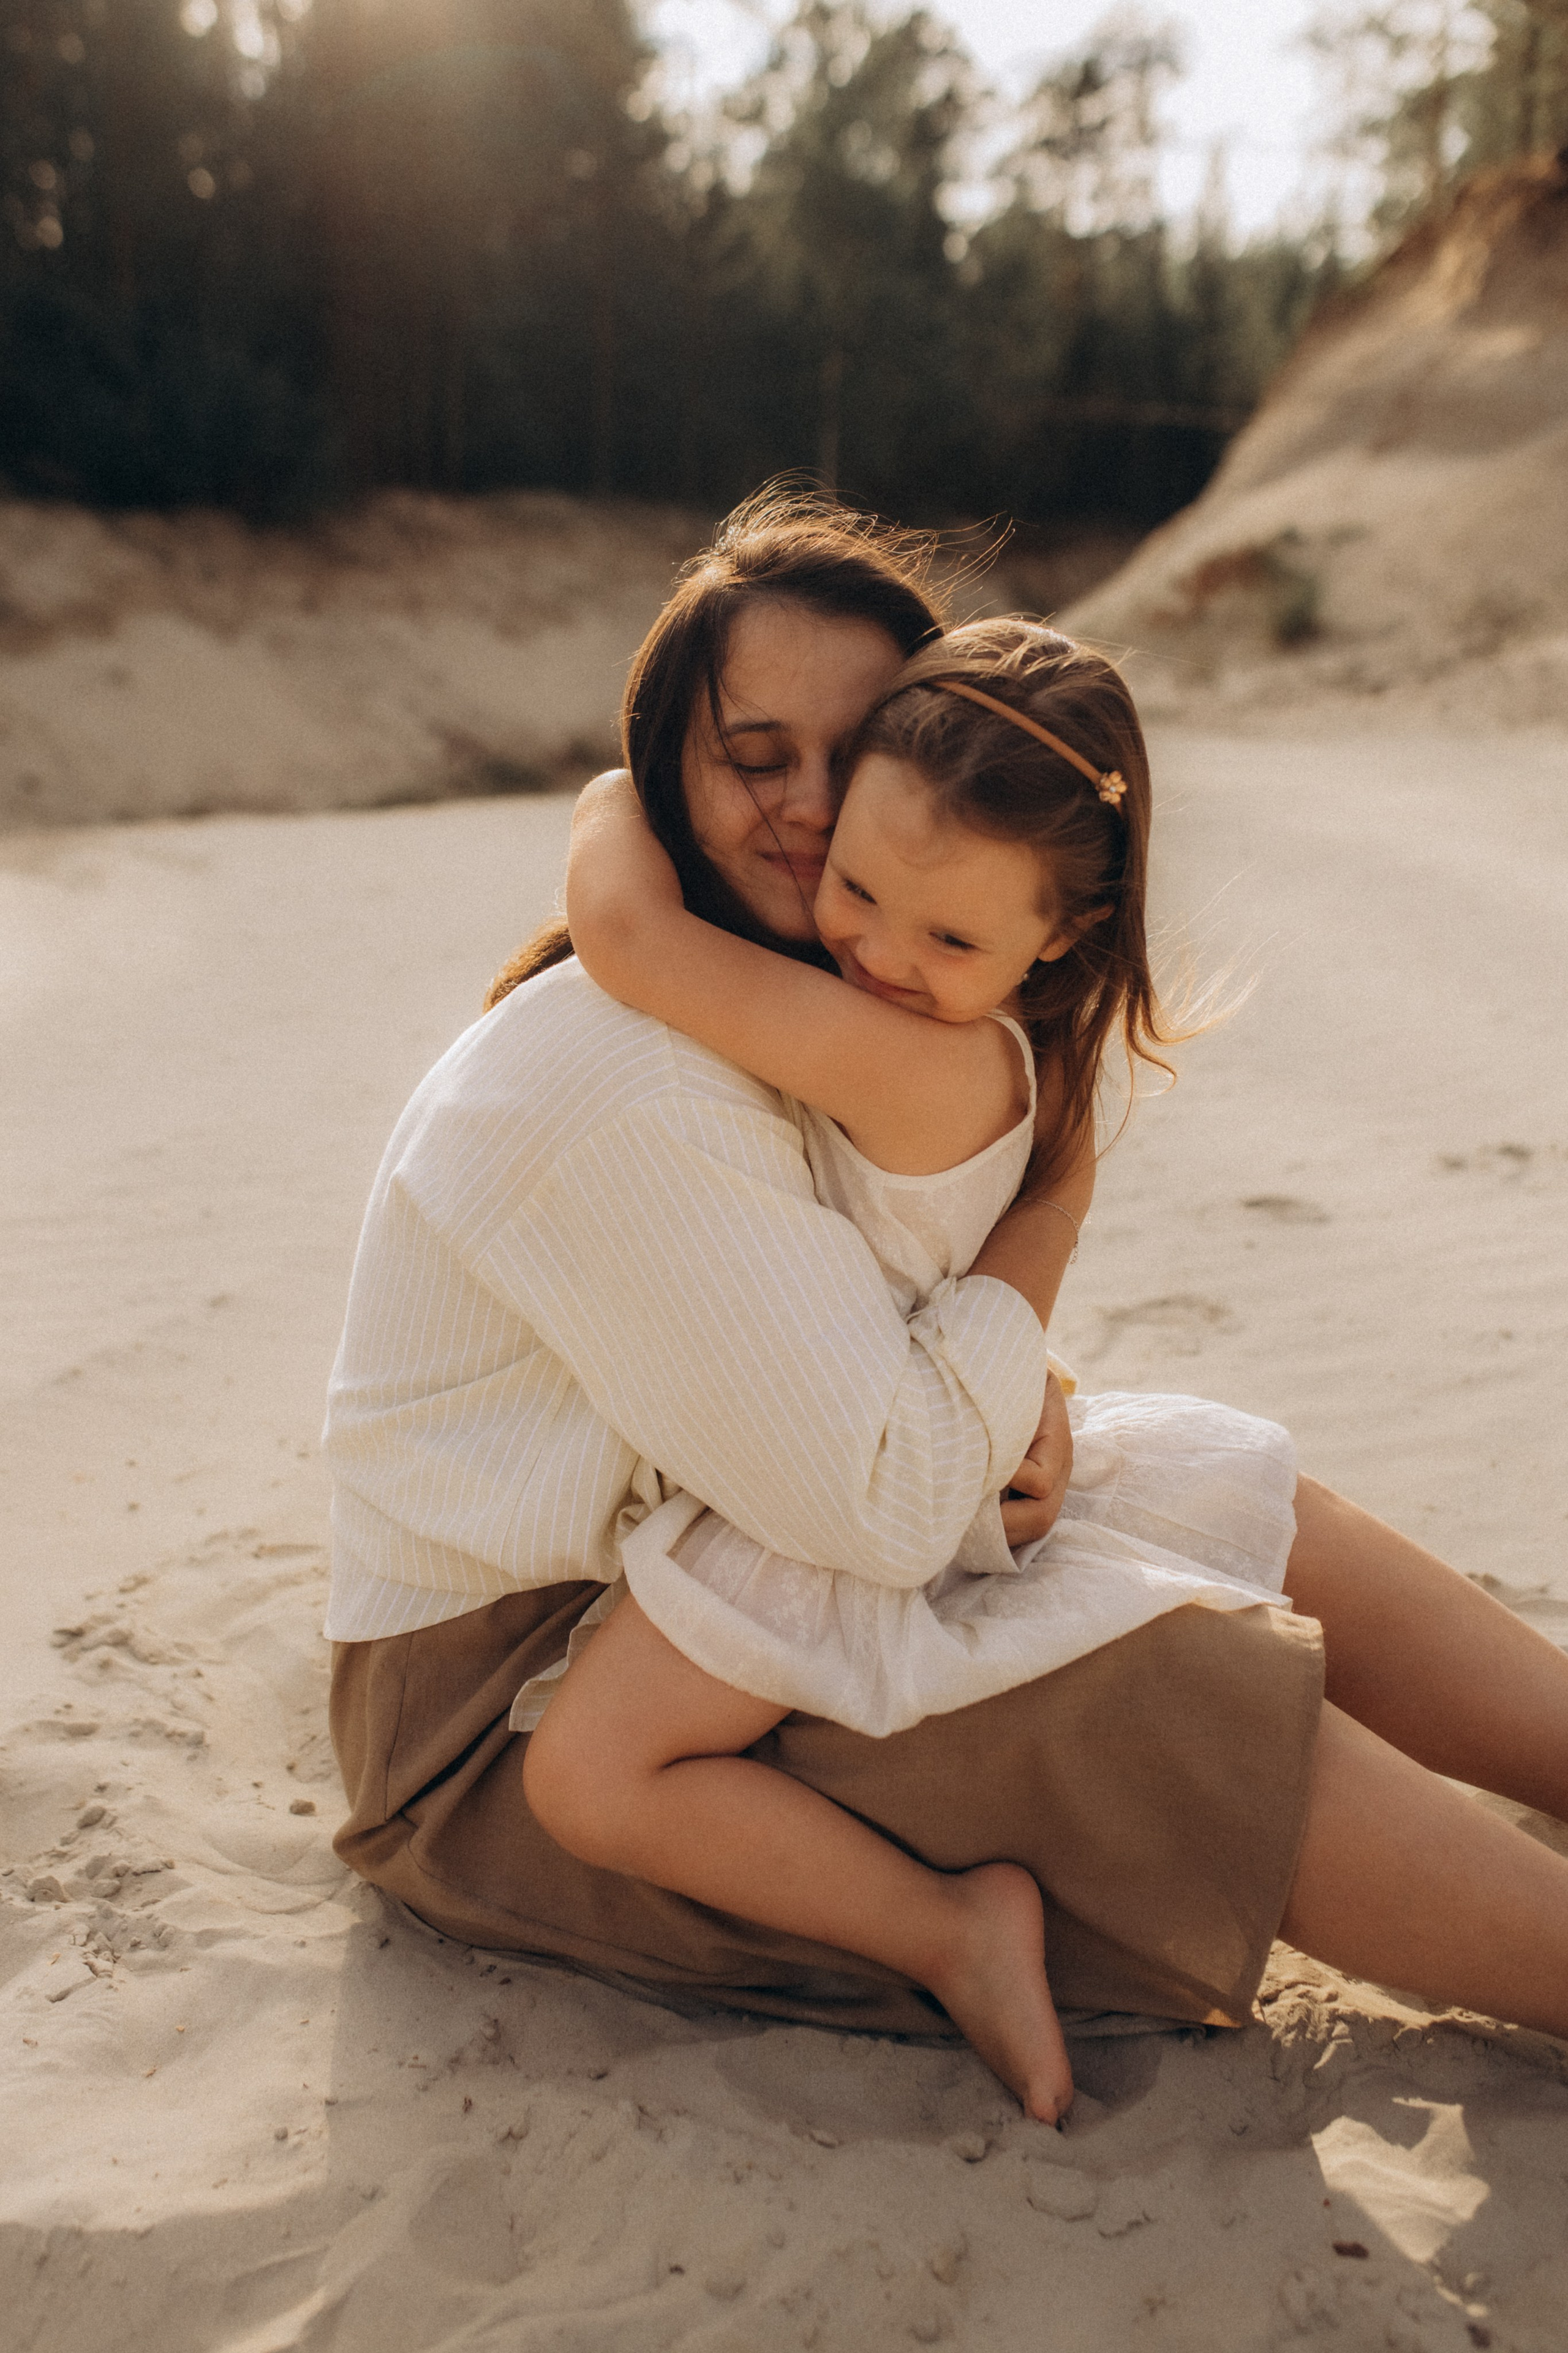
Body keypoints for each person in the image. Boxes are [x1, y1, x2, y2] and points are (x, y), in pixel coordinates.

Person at [325, 487, 1568, 2089]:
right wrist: (1047, 1226)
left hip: (694, 1558)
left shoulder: (791, 1006)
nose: (817, 806)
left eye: (856, 747)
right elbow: (892, 1504)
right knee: (1140, 1680)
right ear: (664, 766)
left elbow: (851, 1346)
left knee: (1198, 1484)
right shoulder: (622, 1078)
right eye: (753, 753)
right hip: (495, 1737)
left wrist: (1028, 1397)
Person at [519, 617, 1300, 2123]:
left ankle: (943, 1926)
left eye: (947, 940)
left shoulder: (913, 1056)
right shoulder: (978, 1033)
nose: (875, 954)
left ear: (1056, 938)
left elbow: (625, 943)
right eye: (855, 889)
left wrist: (617, 795)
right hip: (884, 1410)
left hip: (855, 1475)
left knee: (588, 1777)